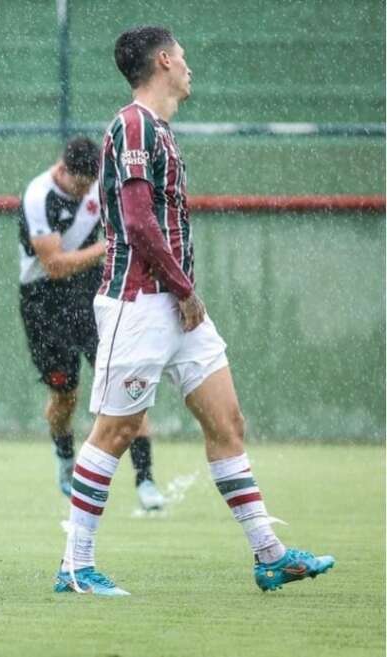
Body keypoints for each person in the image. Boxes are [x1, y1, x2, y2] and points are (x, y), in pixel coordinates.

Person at [53, 26, 334, 595]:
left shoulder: (160, 131)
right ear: (162, 61)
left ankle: (269, 555)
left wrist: (183, 294)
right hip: (141, 301)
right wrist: (184, 290)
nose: (189, 67)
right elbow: (136, 221)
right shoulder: (132, 124)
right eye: (182, 57)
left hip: (177, 305)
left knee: (226, 421)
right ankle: (75, 567)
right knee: (117, 429)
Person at [19, 136, 165, 511]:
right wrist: (111, 244)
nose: (86, 191)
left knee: (126, 382)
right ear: (62, 169)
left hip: (90, 293)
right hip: (43, 302)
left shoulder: (102, 187)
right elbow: (54, 265)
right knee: (65, 395)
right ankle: (65, 458)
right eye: (80, 184)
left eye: (90, 184)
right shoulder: (38, 196)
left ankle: (146, 480)